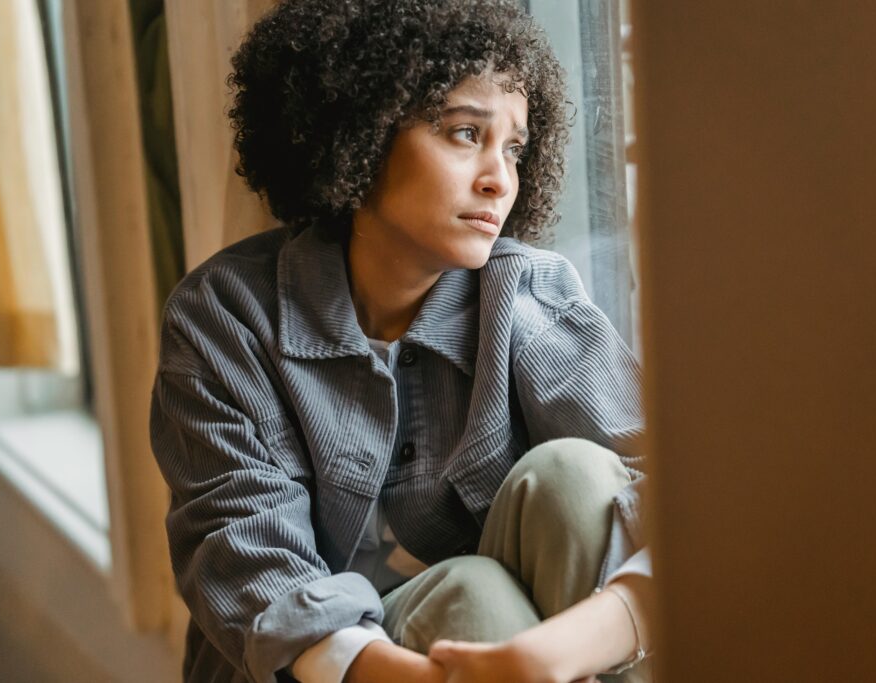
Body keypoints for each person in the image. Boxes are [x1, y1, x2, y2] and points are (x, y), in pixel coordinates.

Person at [149, 1, 652, 681]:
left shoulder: (529, 296)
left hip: (523, 663)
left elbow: (685, 502)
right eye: (464, 131)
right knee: (475, 596)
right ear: (361, 126)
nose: (499, 179)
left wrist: (543, 656)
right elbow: (249, 558)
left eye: (514, 147)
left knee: (577, 477)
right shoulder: (225, 317)